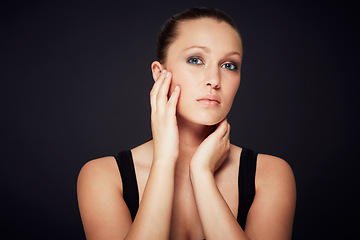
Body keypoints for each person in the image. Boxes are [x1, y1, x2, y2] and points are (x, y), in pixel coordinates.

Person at [77, 7, 296, 240]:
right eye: (195, 60)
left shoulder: (269, 174)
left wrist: (202, 174)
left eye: (229, 65)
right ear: (160, 73)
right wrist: (163, 160)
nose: (214, 80)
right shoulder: (103, 176)